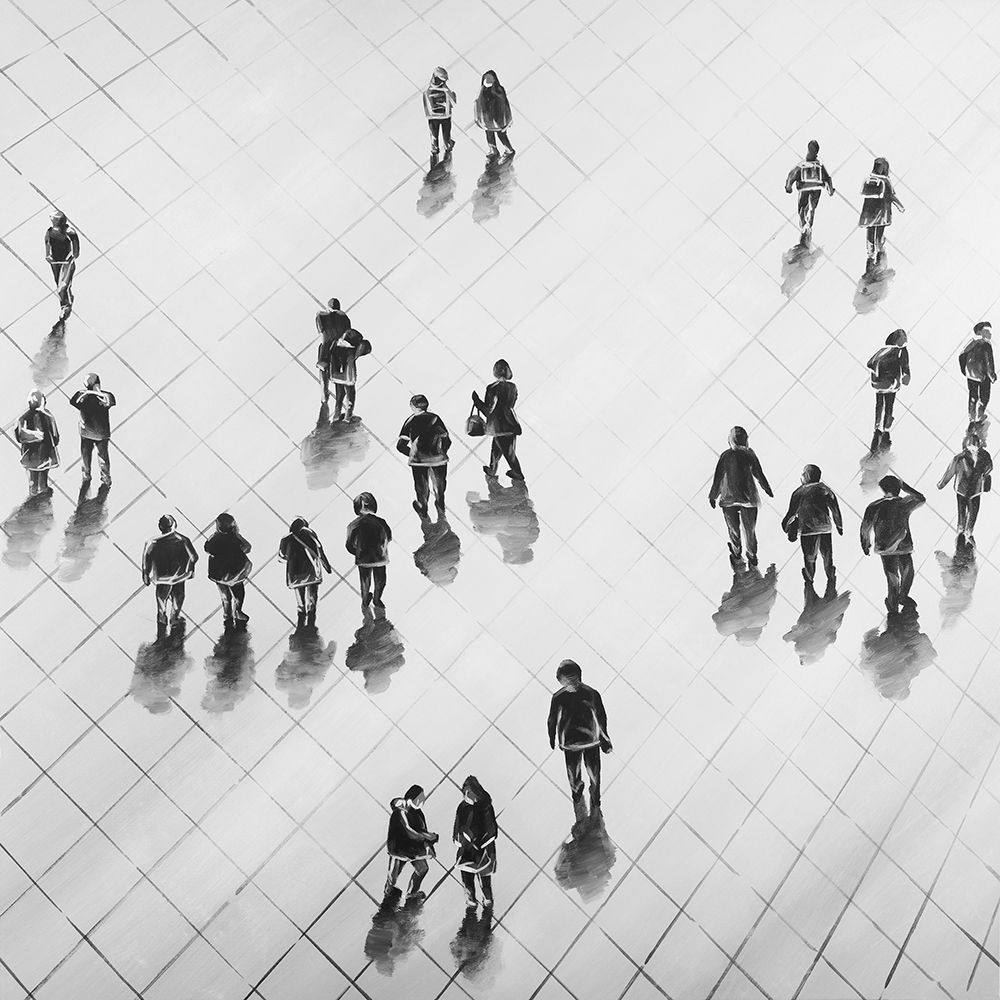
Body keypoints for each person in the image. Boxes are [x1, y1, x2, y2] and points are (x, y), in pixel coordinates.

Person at [546, 660, 611, 813]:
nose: (569, 683)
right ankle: (592, 794)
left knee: (575, 771)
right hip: (590, 740)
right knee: (592, 771)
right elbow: (601, 717)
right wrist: (605, 739)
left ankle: (578, 792)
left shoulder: (558, 697)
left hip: (572, 742)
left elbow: (552, 720)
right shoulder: (592, 693)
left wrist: (552, 737)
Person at [708, 426, 773, 567]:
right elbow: (758, 474)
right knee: (750, 530)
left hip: (728, 499)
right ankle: (752, 554)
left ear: (730, 440)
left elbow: (718, 477)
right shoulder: (750, 454)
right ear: (745, 440)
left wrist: (713, 496)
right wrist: (767, 488)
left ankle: (737, 551)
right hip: (748, 499)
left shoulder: (725, 455)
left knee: (734, 530)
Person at [861, 475, 926, 614]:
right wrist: (905, 487)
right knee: (908, 571)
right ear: (899, 488)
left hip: (885, 547)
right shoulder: (904, 503)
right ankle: (903, 596)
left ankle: (892, 604)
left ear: (883, 489)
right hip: (903, 544)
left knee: (892, 576)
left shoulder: (874, 506)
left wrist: (865, 543)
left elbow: (865, 527)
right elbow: (921, 498)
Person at [781, 464, 843, 584]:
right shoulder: (825, 489)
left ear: (807, 476)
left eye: (803, 473)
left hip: (807, 530)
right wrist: (839, 525)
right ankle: (830, 574)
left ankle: (809, 576)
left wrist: (785, 525)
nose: (801, 476)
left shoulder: (798, 492)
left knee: (810, 557)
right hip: (825, 528)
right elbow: (835, 509)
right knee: (827, 555)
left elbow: (791, 514)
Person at [397, 395, 451, 517]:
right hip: (438, 459)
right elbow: (447, 440)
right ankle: (440, 503)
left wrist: (413, 454)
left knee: (421, 486)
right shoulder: (435, 418)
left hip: (418, 461)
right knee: (440, 484)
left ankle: (423, 507)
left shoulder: (410, 421)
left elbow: (400, 446)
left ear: (412, 406)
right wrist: (441, 451)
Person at [385, 784, 439, 903]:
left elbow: (422, 830)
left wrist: (428, 845)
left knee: (423, 868)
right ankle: (388, 897)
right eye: (420, 798)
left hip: (412, 849)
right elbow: (409, 831)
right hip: (399, 849)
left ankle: (411, 893)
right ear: (410, 798)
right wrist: (427, 837)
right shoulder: (400, 812)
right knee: (393, 877)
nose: (422, 801)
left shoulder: (418, 814)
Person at [142, 515, 198, 627]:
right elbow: (194, 557)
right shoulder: (183, 540)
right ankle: (174, 617)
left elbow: (146, 560)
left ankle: (162, 617)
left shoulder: (152, 542)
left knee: (161, 598)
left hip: (162, 578)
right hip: (179, 577)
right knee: (178, 598)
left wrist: (146, 575)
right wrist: (190, 570)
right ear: (174, 525)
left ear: (160, 527)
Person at [472, 359, 524, 481]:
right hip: (511, 422)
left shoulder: (492, 388)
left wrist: (476, 401)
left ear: (495, 371)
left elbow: (488, 410)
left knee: (508, 452)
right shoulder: (513, 387)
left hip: (498, 425)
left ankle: (518, 473)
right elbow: (511, 404)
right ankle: (492, 469)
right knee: (497, 448)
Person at [937, 432, 992, 545]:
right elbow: (950, 472)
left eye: (975, 445)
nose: (973, 448)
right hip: (962, 489)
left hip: (976, 490)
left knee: (973, 512)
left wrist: (984, 475)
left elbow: (990, 467)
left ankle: (969, 531)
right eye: (970, 446)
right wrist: (941, 484)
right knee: (962, 511)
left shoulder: (984, 456)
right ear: (966, 446)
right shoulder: (959, 458)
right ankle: (960, 530)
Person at [278, 517, 332, 628]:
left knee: (299, 593)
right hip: (311, 570)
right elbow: (320, 550)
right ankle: (311, 612)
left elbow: (282, 558)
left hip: (295, 572)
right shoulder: (309, 534)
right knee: (312, 593)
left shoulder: (286, 539)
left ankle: (301, 611)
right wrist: (327, 566)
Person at [453, 776, 498, 910]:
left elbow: (491, 829)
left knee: (485, 880)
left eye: (469, 791)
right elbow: (457, 826)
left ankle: (487, 900)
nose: (466, 794)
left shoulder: (486, 806)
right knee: (467, 879)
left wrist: (477, 841)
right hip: (466, 850)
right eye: (464, 791)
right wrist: (458, 839)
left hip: (484, 849)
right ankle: (471, 901)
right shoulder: (462, 807)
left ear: (476, 791)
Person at [204, 512, 252, 627]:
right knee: (239, 595)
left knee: (225, 596)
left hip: (218, 573)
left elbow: (207, 549)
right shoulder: (235, 537)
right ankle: (238, 612)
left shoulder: (214, 538)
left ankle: (227, 616)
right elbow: (247, 547)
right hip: (235, 572)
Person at [784, 139, 834, 248]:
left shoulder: (802, 165)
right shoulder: (819, 165)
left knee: (802, 209)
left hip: (804, 189)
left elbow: (792, 175)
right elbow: (827, 178)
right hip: (816, 189)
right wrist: (830, 190)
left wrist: (788, 187)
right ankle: (808, 227)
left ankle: (804, 227)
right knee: (811, 208)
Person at [346, 492, 392, 608]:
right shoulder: (381, 521)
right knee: (380, 580)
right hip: (380, 557)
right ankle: (377, 599)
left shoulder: (353, 525)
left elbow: (349, 545)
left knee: (365, 581)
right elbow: (389, 537)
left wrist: (358, 552)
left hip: (363, 559)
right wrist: (382, 547)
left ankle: (365, 599)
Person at [859, 156, 904, 275]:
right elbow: (892, 196)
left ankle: (870, 259)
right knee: (879, 236)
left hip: (868, 215)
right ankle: (880, 262)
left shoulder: (869, 179)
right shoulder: (886, 181)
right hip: (881, 215)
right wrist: (900, 207)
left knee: (870, 235)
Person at [867, 329, 910, 452]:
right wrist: (904, 377)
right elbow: (905, 368)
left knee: (879, 405)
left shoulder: (882, 350)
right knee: (889, 406)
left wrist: (879, 374)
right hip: (891, 384)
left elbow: (869, 363)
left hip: (878, 384)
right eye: (904, 338)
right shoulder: (901, 351)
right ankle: (886, 432)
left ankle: (877, 429)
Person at [69, 373, 115, 486]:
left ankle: (86, 476)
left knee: (86, 456)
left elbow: (74, 402)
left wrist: (88, 393)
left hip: (86, 432)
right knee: (103, 456)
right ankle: (106, 477)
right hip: (101, 433)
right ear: (98, 384)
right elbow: (110, 402)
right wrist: (97, 393)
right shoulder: (106, 395)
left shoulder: (81, 395)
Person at [15, 390, 59, 496]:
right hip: (45, 454)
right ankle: (43, 489)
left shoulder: (23, 418)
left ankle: (33, 491)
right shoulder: (48, 416)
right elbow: (55, 437)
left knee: (32, 476)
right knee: (43, 475)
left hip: (29, 455)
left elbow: (18, 436)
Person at [315, 298, 351, 404]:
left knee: (324, 371)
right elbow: (347, 333)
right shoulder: (344, 317)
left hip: (327, 347)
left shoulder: (321, 316)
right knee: (336, 372)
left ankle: (324, 394)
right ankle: (338, 398)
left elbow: (322, 333)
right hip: (338, 347)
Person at [44, 211, 79, 320]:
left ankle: (66, 307)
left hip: (66, 263)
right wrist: (48, 255)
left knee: (62, 287)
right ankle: (67, 299)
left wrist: (72, 257)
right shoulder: (50, 231)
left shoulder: (70, 232)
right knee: (59, 284)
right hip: (55, 263)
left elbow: (76, 248)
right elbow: (47, 243)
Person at [959, 321, 995, 424]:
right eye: (987, 331)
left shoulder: (971, 343)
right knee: (984, 397)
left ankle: (972, 419)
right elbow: (989, 363)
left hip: (971, 375)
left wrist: (965, 371)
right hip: (984, 376)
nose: (990, 334)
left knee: (973, 396)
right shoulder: (986, 345)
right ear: (979, 332)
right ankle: (979, 417)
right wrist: (992, 376)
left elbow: (961, 356)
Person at [474, 70, 514, 156]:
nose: (487, 81)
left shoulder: (499, 90)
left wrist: (508, 120)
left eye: (489, 79)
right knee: (489, 134)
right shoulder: (482, 90)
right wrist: (478, 119)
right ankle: (493, 150)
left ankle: (509, 149)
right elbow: (478, 104)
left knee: (501, 135)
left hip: (499, 119)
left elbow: (504, 105)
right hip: (487, 120)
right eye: (486, 79)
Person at [423, 67, 456, 156]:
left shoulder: (427, 91)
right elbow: (453, 102)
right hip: (445, 116)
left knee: (434, 134)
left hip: (432, 117)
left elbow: (426, 107)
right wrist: (452, 94)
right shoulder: (445, 90)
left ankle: (434, 149)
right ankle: (448, 145)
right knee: (446, 133)